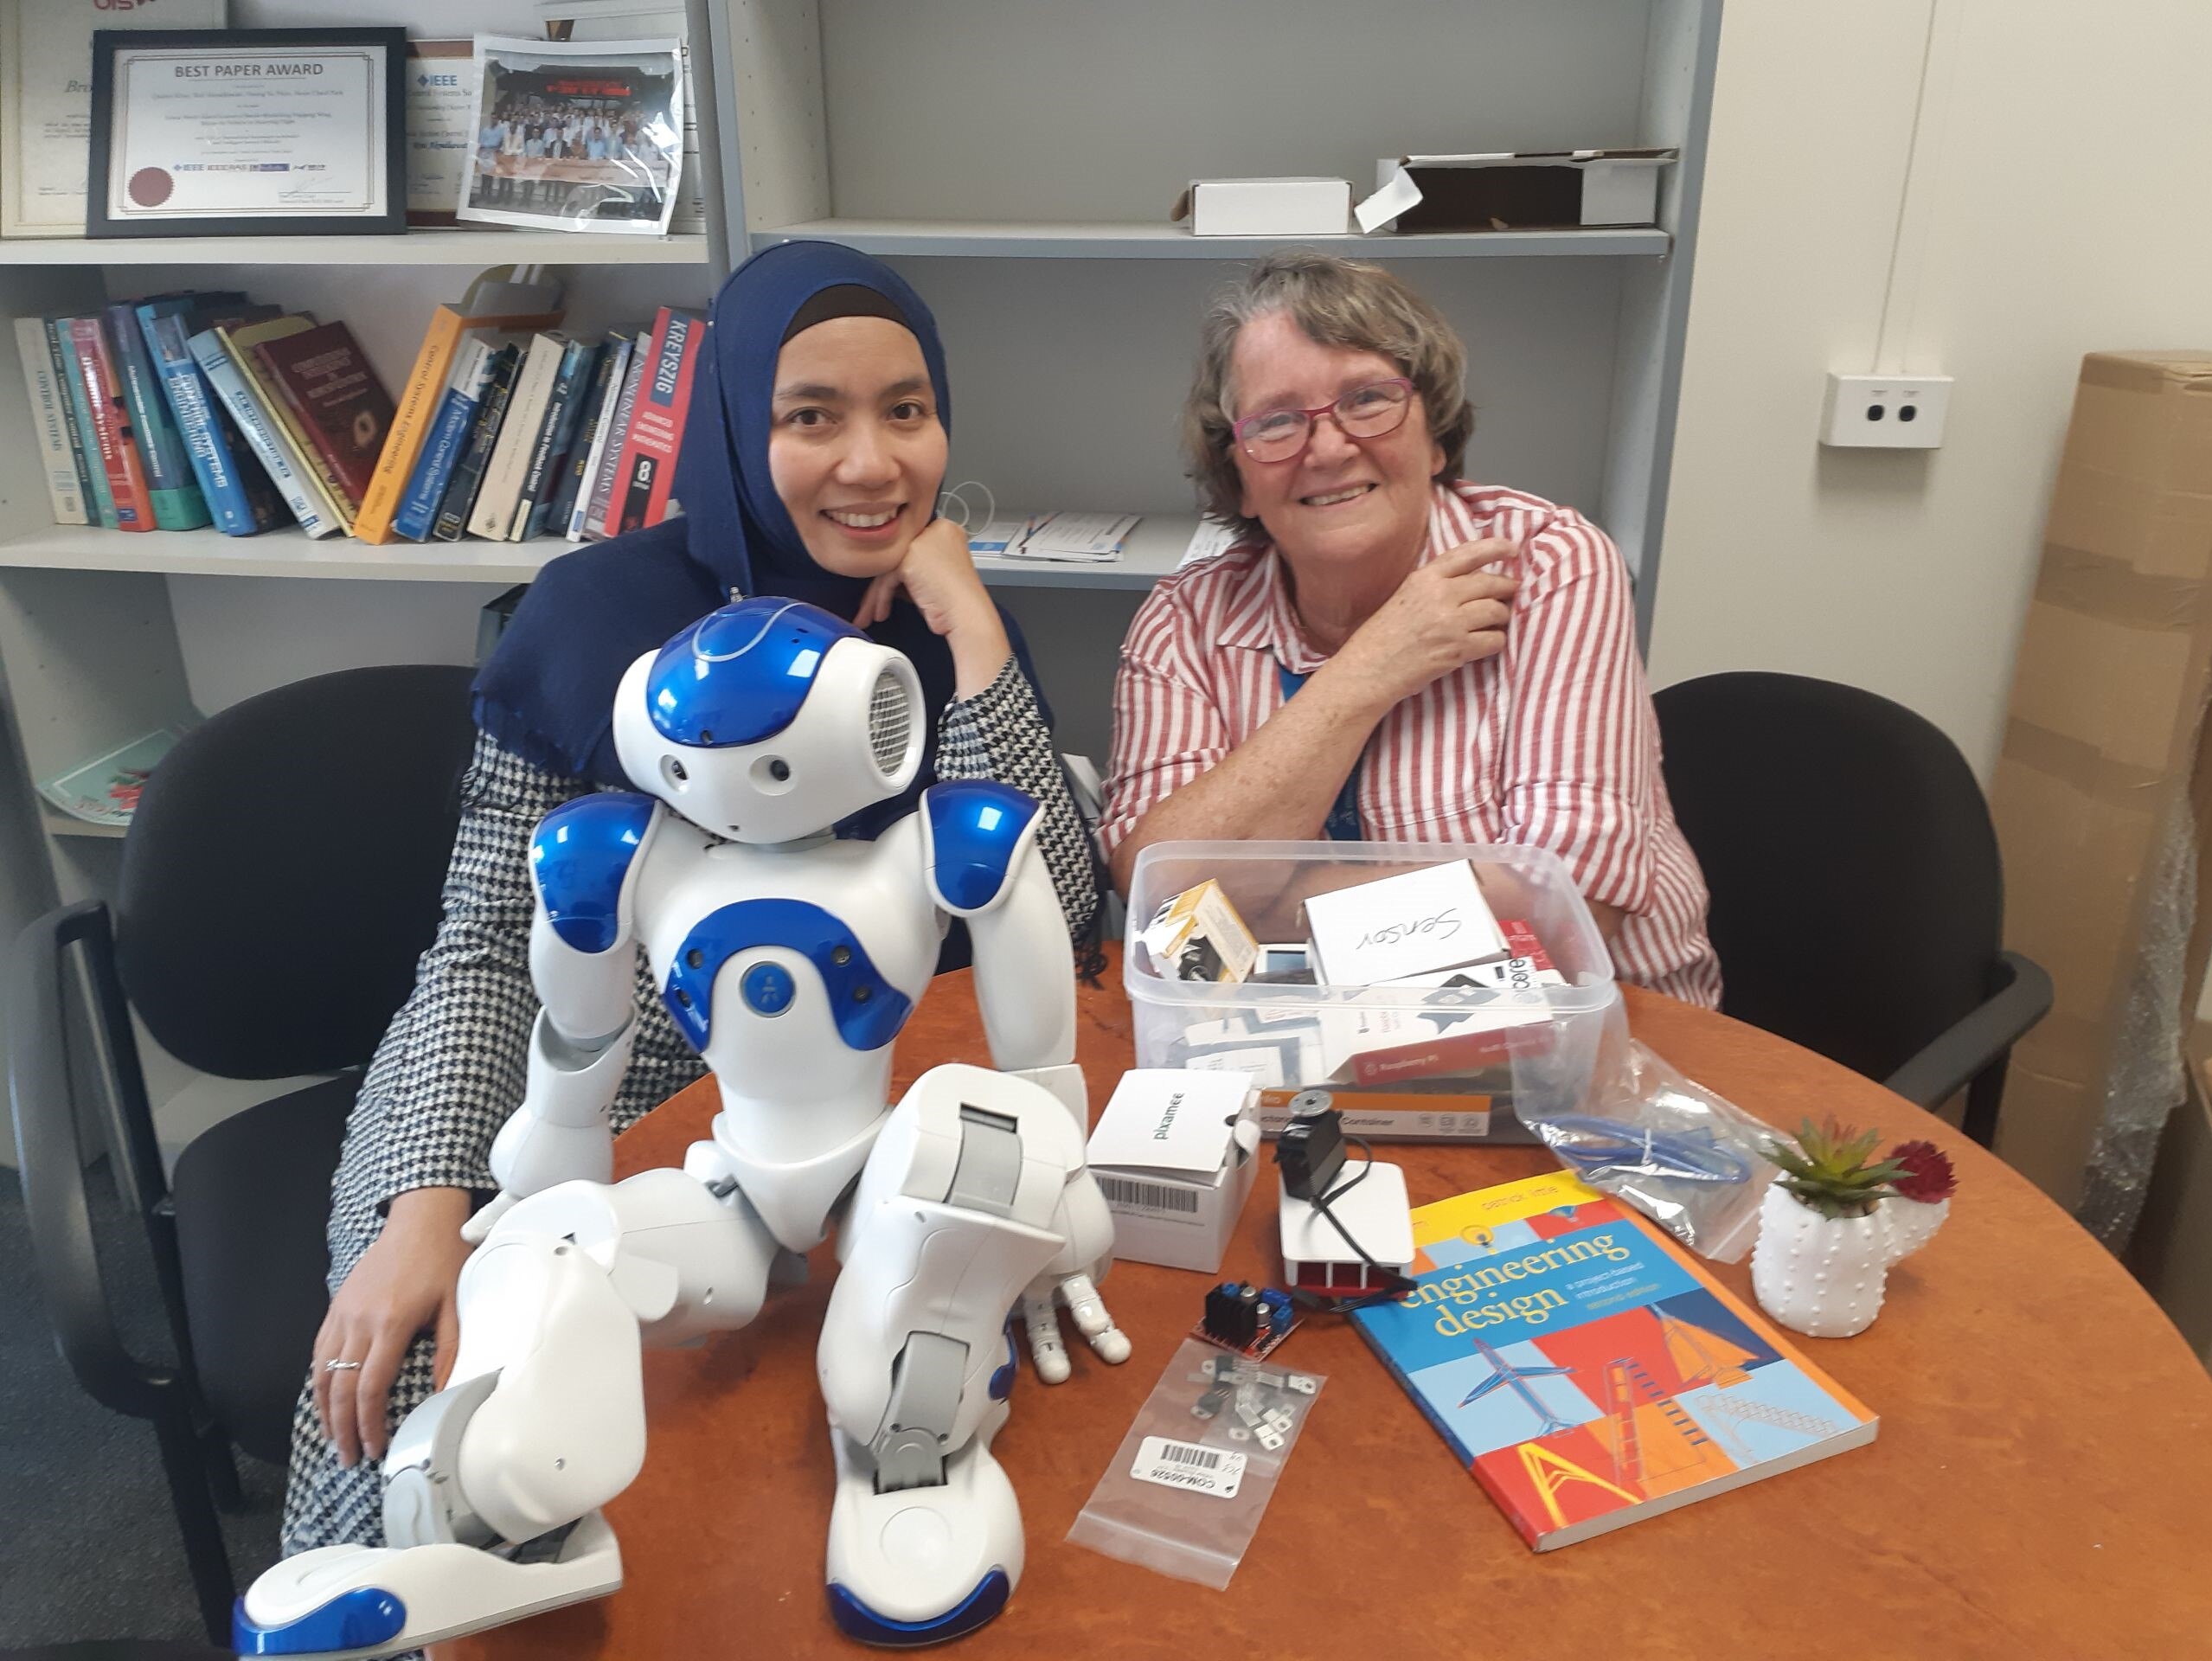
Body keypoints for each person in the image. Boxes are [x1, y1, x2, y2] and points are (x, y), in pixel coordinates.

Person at [281, 240, 1100, 1559]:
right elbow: (490, 949)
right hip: (617, 1105)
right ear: (731, 424)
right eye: (810, 416)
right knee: (456, 1394)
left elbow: (1063, 915)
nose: (874, 463)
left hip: (884, 1125)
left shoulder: (936, 625)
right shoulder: (598, 616)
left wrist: (974, 633)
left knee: (918, 1445)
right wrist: (425, 1205)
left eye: (907, 408)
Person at [1100, 251, 1718, 1004]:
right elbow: (1159, 908)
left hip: (1601, 1038)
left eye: (1367, 400)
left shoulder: (1551, 564)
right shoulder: (1186, 622)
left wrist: (1262, 900)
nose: (1327, 448)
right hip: (1297, 1040)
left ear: (1437, 438)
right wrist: (1368, 670)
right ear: (1240, 479)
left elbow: (1573, 909)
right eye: (1278, 421)